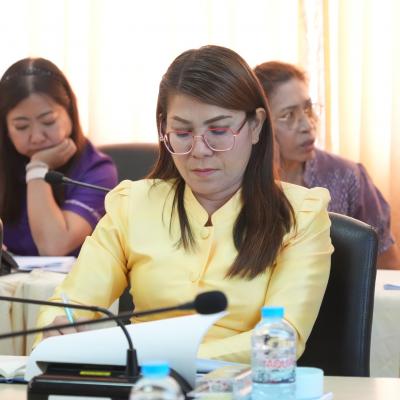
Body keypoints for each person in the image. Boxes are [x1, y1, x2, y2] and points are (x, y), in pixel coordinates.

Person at [35, 45, 333, 363]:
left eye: (218, 130)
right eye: (182, 132)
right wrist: (56, 329)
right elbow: (69, 305)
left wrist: (150, 357)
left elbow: (279, 339)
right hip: (145, 385)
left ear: (256, 125)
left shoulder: (301, 214)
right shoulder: (132, 204)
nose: (199, 150)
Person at [254, 61, 400, 270]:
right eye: (288, 115)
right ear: (258, 125)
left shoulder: (348, 177)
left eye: (307, 109)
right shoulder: (239, 185)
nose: (307, 125)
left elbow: (388, 269)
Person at [0, 58, 118, 256]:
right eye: (21, 126)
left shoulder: (97, 169)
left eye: (48, 121)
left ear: (70, 111)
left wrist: (37, 168)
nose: (37, 137)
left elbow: (53, 245)